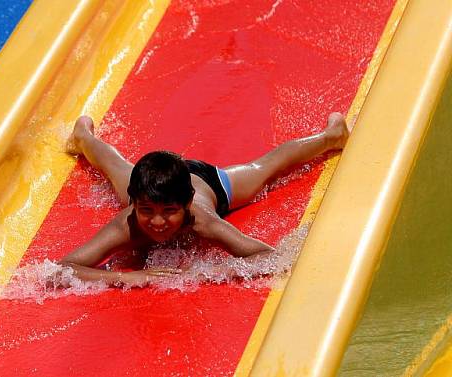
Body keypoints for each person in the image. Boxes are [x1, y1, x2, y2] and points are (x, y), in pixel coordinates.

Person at [59, 112, 350, 287]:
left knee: (266, 169)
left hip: (208, 183)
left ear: (185, 207)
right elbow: (62, 268)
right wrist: (127, 278)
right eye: (147, 210)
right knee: (116, 168)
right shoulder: (130, 220)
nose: (157, 222)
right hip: (156, 179)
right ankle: (83, 135)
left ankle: (331, 135)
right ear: (135, 203)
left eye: (169, 212)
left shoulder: (203, 220)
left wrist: (210, 271)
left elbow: (272, 257)